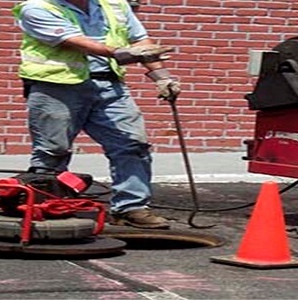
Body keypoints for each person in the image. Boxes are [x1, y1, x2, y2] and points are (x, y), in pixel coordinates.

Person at [13, 0, 182, 229]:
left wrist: (161, 76)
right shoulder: (37, 8)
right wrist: (123, 53)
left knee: (132, 144)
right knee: (53, 151)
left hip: (109, 86)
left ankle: (131, 208)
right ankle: (49, 207)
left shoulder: (114, 5)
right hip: (56, 86)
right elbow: (75, 42)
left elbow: (140, 40)